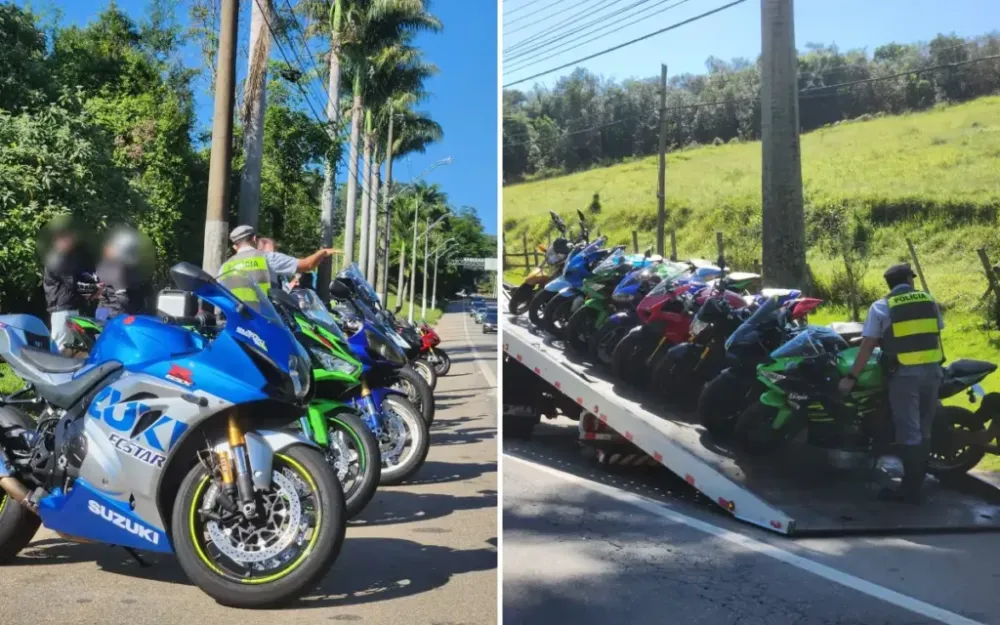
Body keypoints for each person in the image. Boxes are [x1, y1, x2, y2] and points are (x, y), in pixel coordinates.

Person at [838, 262, 944, 504]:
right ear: (908, 279)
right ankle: (918, 482)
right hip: (934, 371)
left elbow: (867, 346)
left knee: (909, 432)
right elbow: (936, 331)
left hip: (905, 376)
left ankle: (910, 491)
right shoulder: (928, 300)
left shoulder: (882, 307)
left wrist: (851, 377)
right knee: (924, 430)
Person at [218, 225, 338, 302]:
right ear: (255, 239)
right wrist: (323, 252)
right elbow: (307, 265)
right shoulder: (267, 258)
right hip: (267, 320)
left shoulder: (225, 267)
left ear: (235, 246)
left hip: (240, 325)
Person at [42, 226, 96, 352]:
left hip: (71, 307)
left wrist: (92, 288)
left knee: (69, 348)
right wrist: (92, 288)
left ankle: (64, 371)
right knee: (59, 346)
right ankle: (53, 370)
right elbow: (71, 283)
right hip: (61, 309)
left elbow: (75, 280)